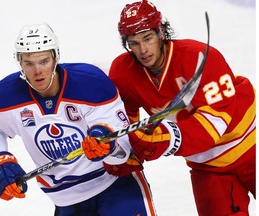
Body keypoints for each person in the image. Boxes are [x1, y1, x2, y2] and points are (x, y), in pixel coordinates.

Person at [0, 23, 157, 216]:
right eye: (29, 63)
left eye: (44, 61)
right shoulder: (5, 95)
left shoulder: (90, 83)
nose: (37, 71)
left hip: (116, 186)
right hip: (66, 199)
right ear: (19, 62)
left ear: (55, 58)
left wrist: (108, 144)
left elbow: (123, 151)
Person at [106, 0, 255, 215]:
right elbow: (123, 120)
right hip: (207, 166)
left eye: (147, 38)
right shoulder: (123, 71)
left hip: (250, 146)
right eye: (134, 43)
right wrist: (118, 150)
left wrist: (164, 138)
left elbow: (216, 122)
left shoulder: (199, 56)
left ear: (161, 33)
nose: (143, 50)